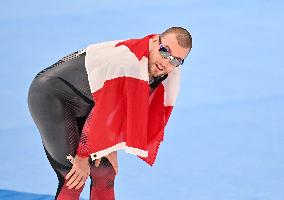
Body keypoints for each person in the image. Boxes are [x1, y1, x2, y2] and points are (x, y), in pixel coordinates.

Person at [27, 26, 192, 200]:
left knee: (105, 172)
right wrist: (83, 157)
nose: (166, 62)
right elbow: (104, 111)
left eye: (175, 60)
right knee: (74, 176)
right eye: (165, 51)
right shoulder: (127, 62)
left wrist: (109, 146)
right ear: (154, 41)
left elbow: (125, 107)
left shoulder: (164, 68)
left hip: (90, 103)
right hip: (52, 96)